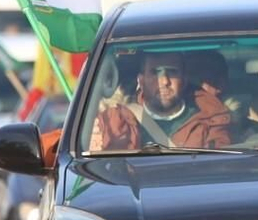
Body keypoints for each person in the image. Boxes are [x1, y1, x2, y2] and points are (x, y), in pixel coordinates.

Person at [89, 52, 232, 151]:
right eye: (155, 72)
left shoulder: (211, 119)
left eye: (172, 72)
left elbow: (220, 168)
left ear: (184, 79)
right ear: (141, 80)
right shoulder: (116, 121)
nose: (164, 81)